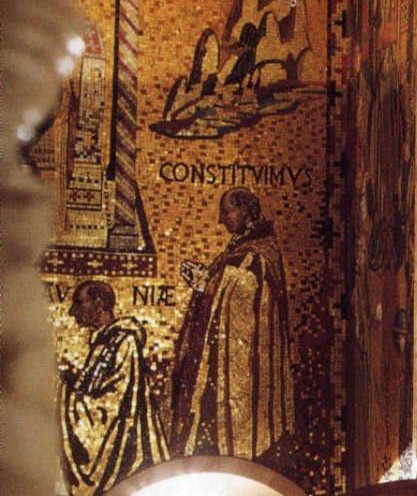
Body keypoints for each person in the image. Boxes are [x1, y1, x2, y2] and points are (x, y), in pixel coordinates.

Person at [170, 187, 296, 461]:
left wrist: (208, 283)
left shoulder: (260, 251)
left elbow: (249, 290)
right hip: (220, 355)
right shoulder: (239, 250)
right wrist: (207, 282)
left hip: (244, 360)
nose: (221, 220)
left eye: (226, 212)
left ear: (245, 210)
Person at [60, 280, 168, 495]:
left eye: (79, 303)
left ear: (99, 304)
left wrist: (64, 397)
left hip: (120, 447)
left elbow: (116, 403)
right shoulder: (104, 342)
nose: (72, 312)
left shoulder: (122, 342)